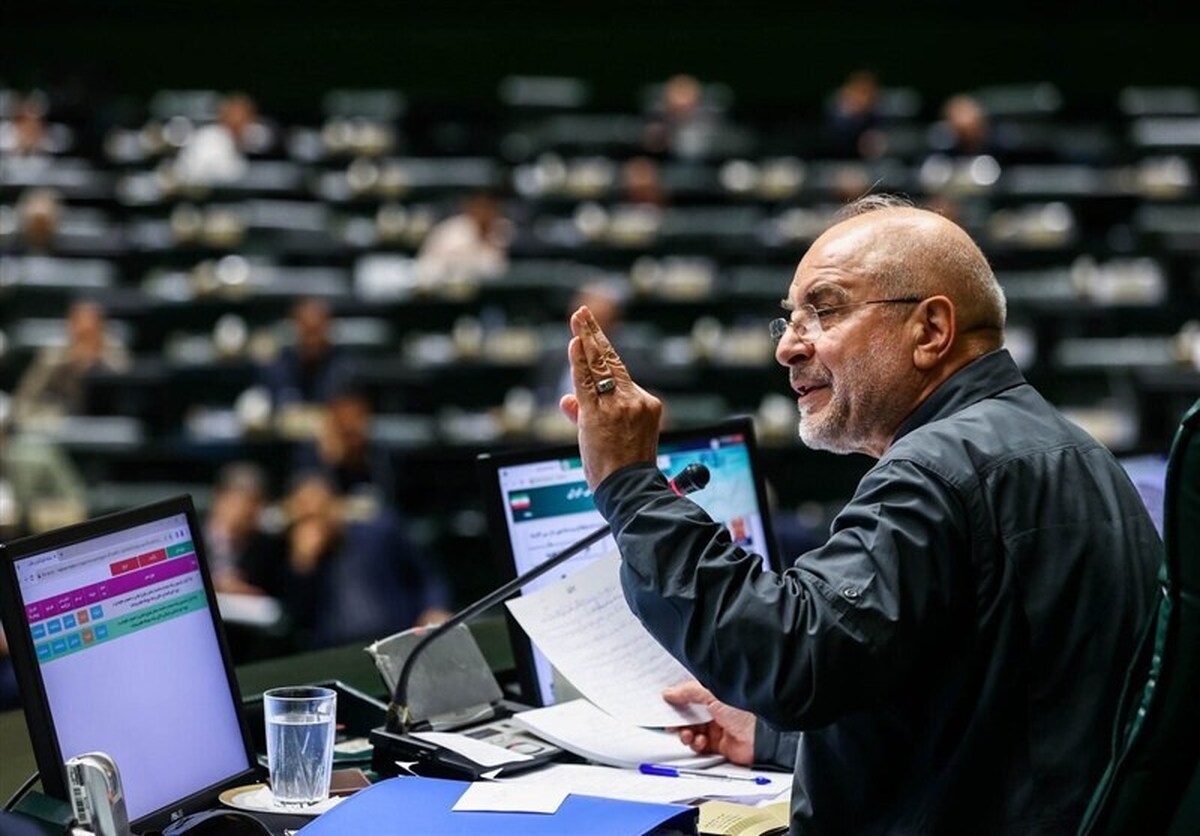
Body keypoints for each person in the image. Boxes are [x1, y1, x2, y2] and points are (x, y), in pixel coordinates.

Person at [559, 194, 1162, 834]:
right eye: (789, 319)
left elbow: (788, 659)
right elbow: (971, 715)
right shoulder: (1073, 449)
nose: (788, 348)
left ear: (930, 330)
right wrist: (772, 738)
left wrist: (630, 484)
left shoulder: (938, 468)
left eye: (824, 311)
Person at [240, 474, 451, 649]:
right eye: (307, 517)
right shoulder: (294, 557)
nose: (316, 522)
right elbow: (296, 619)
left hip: (396, 637)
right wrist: (304, 564)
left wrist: (434, 607)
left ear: (335, 506)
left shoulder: (377, 533)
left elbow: (426, 576)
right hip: (335, 650)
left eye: (321, 510)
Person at [13, 300, 131, 425]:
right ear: (70, 326)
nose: (85, 334)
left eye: (91, 331)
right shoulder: (54, 353)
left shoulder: (113, 350)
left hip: (106, 419)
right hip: (60, 420)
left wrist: (95, 360)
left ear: (101, 327)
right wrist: (68, 362)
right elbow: (27, 395)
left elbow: (125, 382)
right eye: (81, 332)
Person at [258, 297, 356, 408]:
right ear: (295, 329)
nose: (311, 341)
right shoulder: (277, 368)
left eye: (316, 332)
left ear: (327, 328)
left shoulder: (345, 369)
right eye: (306, 332)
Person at [202, 462, 275, 594]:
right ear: (221, 497)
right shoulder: (190, 534)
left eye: (260, 503)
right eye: (250, 501)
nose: (256, 511)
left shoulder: (266, 548)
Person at [414, 191, 511, 283]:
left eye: (491, 208)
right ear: (471, 207)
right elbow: (428, 268)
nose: (486, 213)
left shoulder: (501, 230)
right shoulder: (451, 232)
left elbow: (497, 270)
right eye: (482, 207)